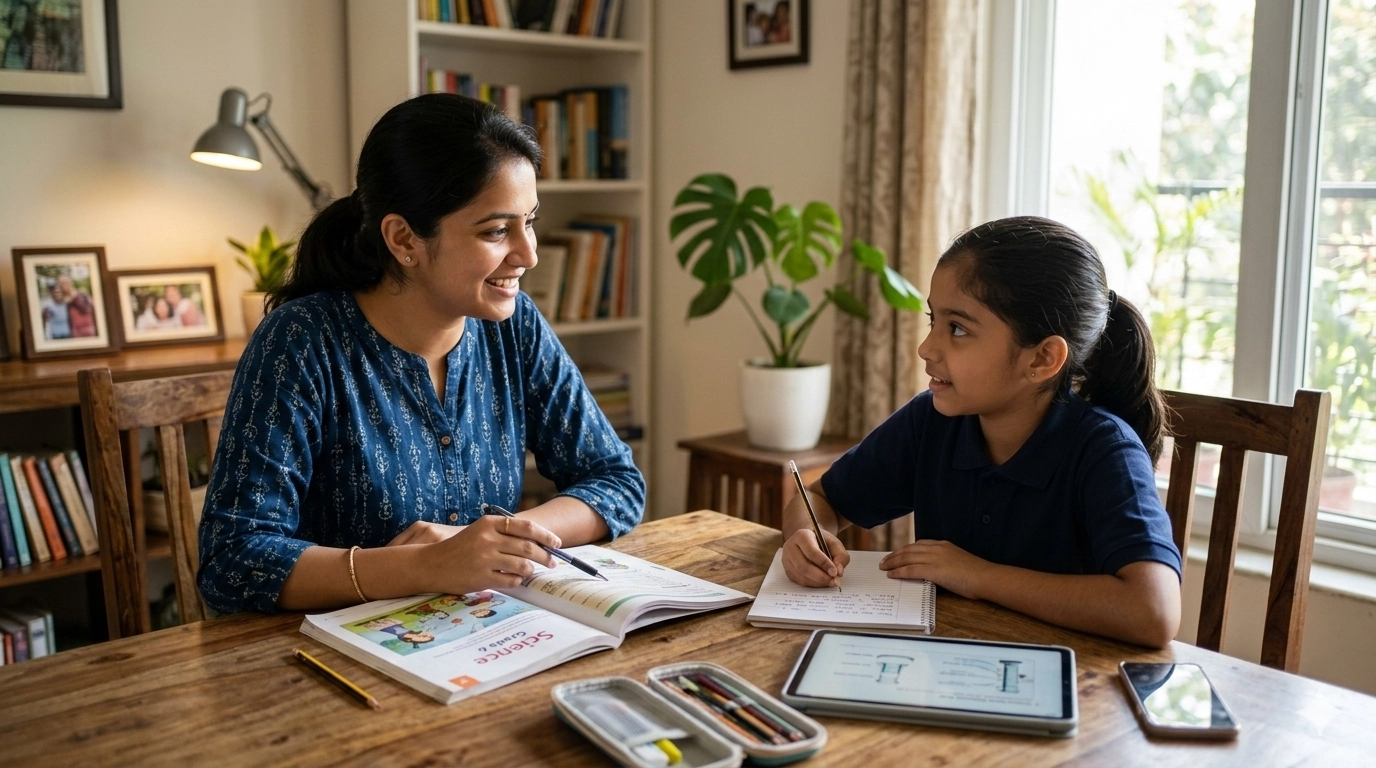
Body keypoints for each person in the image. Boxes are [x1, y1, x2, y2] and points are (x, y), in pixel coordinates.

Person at [197, 93, 645, 615]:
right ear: (403, 238)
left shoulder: (515, 325)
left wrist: (497, 542)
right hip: (320, 665)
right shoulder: (301, 341)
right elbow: (232, 561)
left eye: (530, 221)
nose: (529, 254)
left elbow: (616, 480)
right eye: (497, 230)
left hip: (479, 643)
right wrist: (428, 565)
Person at [780, 216, 1182, 649]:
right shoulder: (932, 421)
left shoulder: (1105, 450)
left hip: (1070, 687)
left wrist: (978, 575)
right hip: (946, 664)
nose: (926, 348)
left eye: (957, 329)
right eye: (933, 320)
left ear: (1043, 358)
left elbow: (1153, 611)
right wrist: (807, 536)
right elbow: (821, 501)